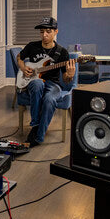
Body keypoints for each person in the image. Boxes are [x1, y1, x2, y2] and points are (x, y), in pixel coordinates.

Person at [16, 17, 76, 148]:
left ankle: (37, 136)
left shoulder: (62, 52)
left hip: (53, 84)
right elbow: (19, 57)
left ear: (56, 32)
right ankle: (35, 124)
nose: (44, 35)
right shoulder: (32, 46)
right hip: (33, 81)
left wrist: (70, 76)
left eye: (48, 31)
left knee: (49, 99)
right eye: (42, 32)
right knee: (38, 84)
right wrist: (22, 67)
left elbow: (65, 78)